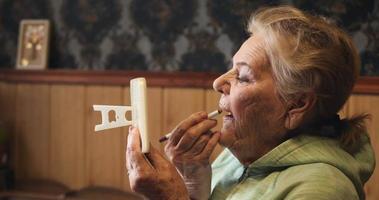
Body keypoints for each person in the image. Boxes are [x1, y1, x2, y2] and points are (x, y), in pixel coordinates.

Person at [126, 5, 375, 200]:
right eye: (230, 68)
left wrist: (171, 197)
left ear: (296, 105)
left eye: (243, 76)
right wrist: (192, 181)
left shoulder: (322, 189)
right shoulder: (236, 157)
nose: (217, 82)